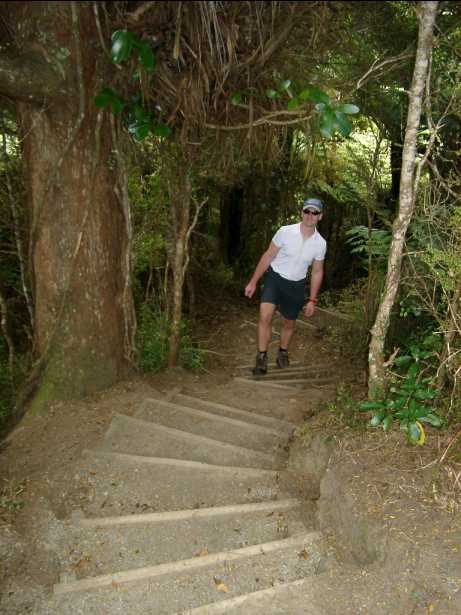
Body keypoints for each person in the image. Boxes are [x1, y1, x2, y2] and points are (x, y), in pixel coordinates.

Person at [244, 197, 327, 375]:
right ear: (302, 212)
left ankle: (283, 351)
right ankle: (261, 357)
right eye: (307, 211)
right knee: (265, 316)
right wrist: (253, 281)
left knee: (289, 323)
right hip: (275, 279)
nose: (310, 215)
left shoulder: (320, 243)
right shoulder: (285, 232)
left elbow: (317, 271)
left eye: (315, 213)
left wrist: (312, 300)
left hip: (296, 285)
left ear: (320, 216)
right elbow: (268, 256)